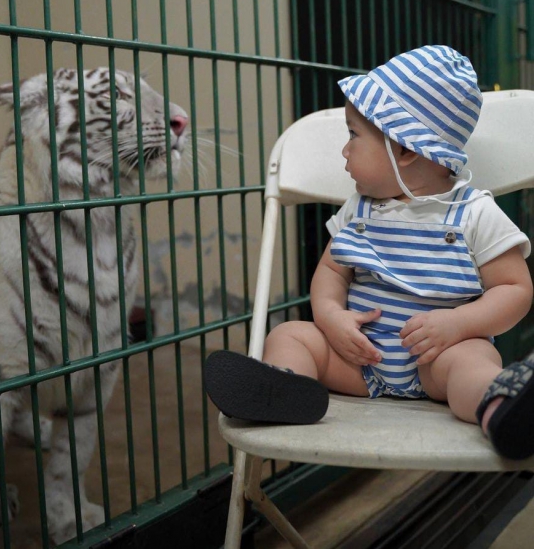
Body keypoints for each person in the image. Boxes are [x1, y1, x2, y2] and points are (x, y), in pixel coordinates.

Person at [204, 45, 534, 461]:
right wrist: (331, 317)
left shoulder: (472, 213)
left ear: (406, 150)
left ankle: (499, 408)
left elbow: (516, 289)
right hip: (358, 361)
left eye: (353, 135)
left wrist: (457, 324)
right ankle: (285, 389)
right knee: (290, 335)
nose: (344, 150)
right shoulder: (358, 211)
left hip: (437, 358)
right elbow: (331, 272)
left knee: (473, 363)